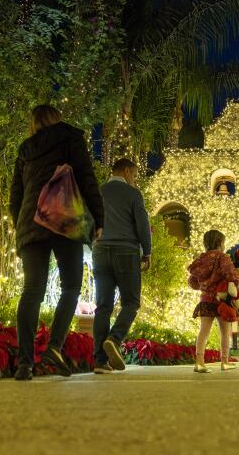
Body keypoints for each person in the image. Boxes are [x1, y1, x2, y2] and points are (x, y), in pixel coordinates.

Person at [9, 105, 105, 381]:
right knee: (72, 286)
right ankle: (54, 347)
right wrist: (98, 218)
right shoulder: (70, 136)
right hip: (64, 220)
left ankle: (24, 364)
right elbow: (86, 178)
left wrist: (21, 226)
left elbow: (15, 196)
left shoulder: (25, 149)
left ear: (34, 123)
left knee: (32, 291)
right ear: (55, 119)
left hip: (31, 223)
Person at [92, 158, 152, 374]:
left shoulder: (98, 191)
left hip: (100, 251)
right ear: (127, 171)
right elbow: (143, 225)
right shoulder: (133, 194)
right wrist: (147, 252)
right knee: (131, 302)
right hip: (126, 252)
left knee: (103, 307)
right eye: (134, 175)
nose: (135, 180)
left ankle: (100, 361)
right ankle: (114, 339)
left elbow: (89, 221)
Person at [187, 230, 239, 373]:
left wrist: (205, 285)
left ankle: (199, 362)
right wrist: (237, 278)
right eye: (223, 242)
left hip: (205, 300)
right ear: (219, 243)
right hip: (221, 301)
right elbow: (230, 274)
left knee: (203, 331)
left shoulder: (199, 260)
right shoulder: (222, 258)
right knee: (225, 331)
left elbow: (193, 283)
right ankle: (224, 361)